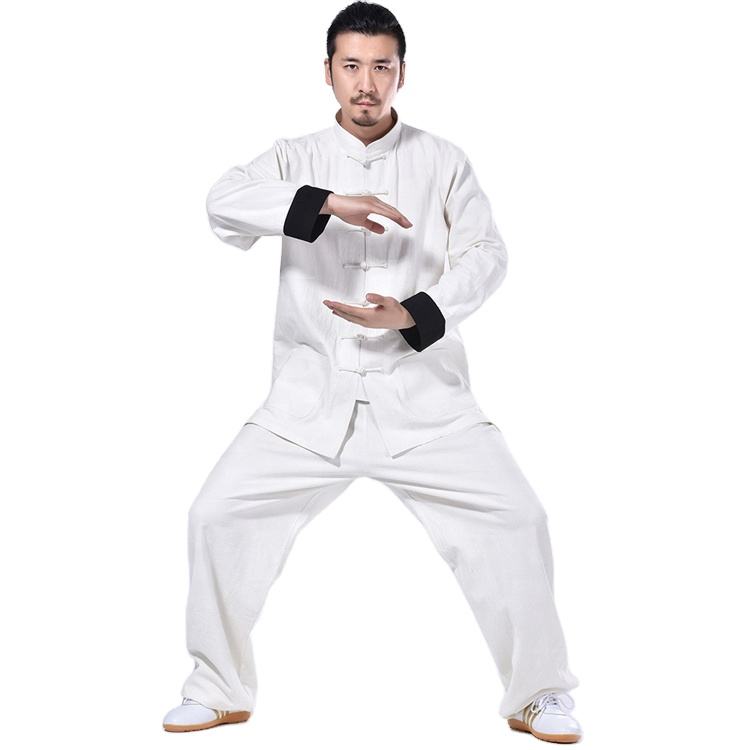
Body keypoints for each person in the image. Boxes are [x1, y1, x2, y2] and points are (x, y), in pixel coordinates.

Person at [162, 2, 583, 743]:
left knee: (518, 519)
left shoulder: (443, 160)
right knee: (215, 515)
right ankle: (218, 687)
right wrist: (326, 203)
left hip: (426, 404)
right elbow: (222, 203)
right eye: (351, 65)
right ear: (327, 71)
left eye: (381, 66)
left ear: (401, 74)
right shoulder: (293, 157)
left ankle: (539, 695)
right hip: (307, 405)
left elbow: (487, 255)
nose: (366, 83)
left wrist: (415, 311)